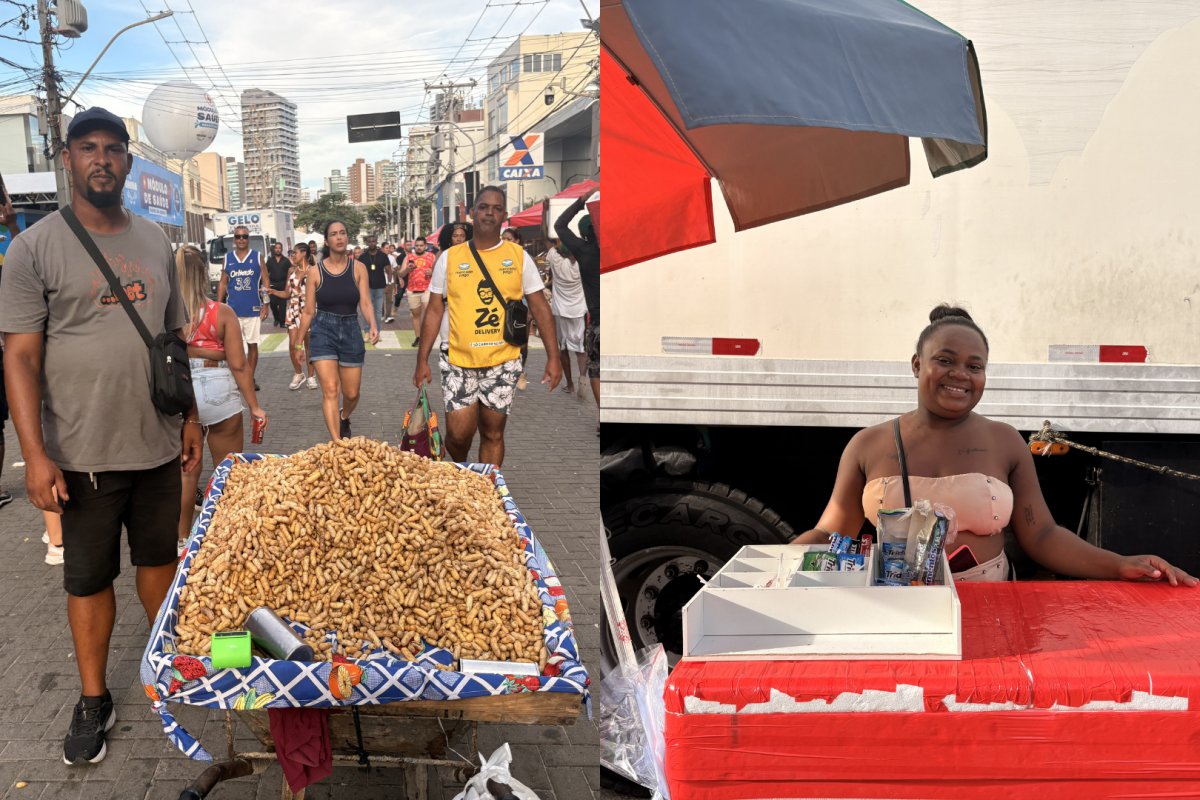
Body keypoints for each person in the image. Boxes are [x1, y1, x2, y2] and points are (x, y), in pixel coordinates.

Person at [0, 107, 203, 765]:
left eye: (113, 149)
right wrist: (34, 456)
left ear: (127, 161)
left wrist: (192, 418)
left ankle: (168, 666)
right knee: (87, 582)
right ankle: (93, 698)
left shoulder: (153, 240)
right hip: (79, 456)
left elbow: (173, 340)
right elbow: (20, 358)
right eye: (87, 148)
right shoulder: (33, 249)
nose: (101, 160)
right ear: (68, 159)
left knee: (158, 563)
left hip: (155, 444)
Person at [792, 304, 1197, 586]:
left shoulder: (1005, 442)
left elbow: (1042, 537)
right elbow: (831, 533)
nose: (960, 375)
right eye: (945, 360)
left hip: (994, 601)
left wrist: (1120, 564)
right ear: (917, 364)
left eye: (974, 366)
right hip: (902, 605)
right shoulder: (867, 444)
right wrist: (762, 562)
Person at [413, 187, 561, 466]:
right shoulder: (450, 258)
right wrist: (421, 359)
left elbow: (540, 306)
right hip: (457, 359)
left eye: (496, 208)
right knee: (458, 434)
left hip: (503, 360)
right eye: (483, 207)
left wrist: (554, 357)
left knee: (493, 433)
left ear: (504, 215)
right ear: (472, 213)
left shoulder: (518, 257)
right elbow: (434, 309)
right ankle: (464, 475)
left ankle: (486, 491)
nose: (489, 212)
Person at [174, 245, 266, 544]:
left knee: (187, 473)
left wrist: (190, 349)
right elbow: (239, 365)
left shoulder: (166, 314)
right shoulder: (221, 312)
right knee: (228, 470)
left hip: (181, 391)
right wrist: (254, 407)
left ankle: (182, 539)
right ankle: (228, 537)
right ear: (204, 274)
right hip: (218, 387)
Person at [297, 220, 379, 440]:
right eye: (334, 234)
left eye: (343, 233)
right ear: (327, 240)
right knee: (331, 390)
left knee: (351, 393)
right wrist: (297, 343)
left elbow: (366, 302)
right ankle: (337, 442)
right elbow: (307, 311)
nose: (339, 237)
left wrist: (372, 324)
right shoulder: (315, 272)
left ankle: (344, 416)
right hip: (323, 330)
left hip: (351, 329)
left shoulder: (358, 268)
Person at [555, 194, 600, 423]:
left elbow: (559, 225)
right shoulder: (616, 246)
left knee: (596, 370)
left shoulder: (583, 251)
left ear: (584, 233)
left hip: (598, 322)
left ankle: (603, 415)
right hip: (623, 322)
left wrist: (580, 201)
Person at [217, 225, 268, 391]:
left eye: (244, 236)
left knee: (252, 345)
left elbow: (266, 282)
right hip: (232, 311)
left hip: (253, 309)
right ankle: (237, 378)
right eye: (238, 236)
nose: (241, 239)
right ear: (234, 239)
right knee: (233, 347)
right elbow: (223, 283)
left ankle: (249, 379)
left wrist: (266, 304)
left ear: (249, 239)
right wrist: (217, 306)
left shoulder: (257, 257)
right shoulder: (228, 258)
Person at [544, 238, 589, 396]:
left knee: (563, 349)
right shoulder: (580, 264)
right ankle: (583, 378)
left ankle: (570, 384)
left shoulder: (555, 259)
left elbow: (549, 241)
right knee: (581, 350)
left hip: (560, 311)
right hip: (578, 311)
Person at [286, 244, 317, 389]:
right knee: (293, 344)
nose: (292, 255)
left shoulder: (313, 271)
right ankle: (298, 373)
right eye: (292, 253)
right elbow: (286, 293)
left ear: (304, 253)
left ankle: (311, 376)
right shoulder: (291, 270)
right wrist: (271, 292)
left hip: (308, 309)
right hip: (293, 309)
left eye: (295, 253)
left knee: (308, 345)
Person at [399, 235, 437, 347]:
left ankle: (426, 337)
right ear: (414, 246)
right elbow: (400, 274)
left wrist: (432, 271)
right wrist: (407, 269)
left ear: (425, 246)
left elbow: (440, 271)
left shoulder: (432, 256)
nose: (419, 247)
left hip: (427, 289)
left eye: (421, 245)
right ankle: (418, 337)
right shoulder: (408, 257)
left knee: (427, 313)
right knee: (415, 315)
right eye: (417, 246)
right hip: (412, 290)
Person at [357, 234, 389, 334]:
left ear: (376, 242)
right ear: (367, 243)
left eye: (373, 241)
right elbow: (358, 271)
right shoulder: (363, 256)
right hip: (366, 287)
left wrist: (389, 283)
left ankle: (377, 331)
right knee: (366, 309)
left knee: (378, 312)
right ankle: (367, 331)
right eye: (370, 241)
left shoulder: (383, 255)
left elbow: (389, 270)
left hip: (380, 287)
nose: (372, 243)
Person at [264, 241, 290, 328]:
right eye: (276, 248)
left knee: (283, 305)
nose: (278, 250)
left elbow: (290, 273)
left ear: (281, 249)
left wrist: (288, 285)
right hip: (273, 286)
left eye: (279, 248)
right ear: (274, 249)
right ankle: (276, 319)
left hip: (283, 285)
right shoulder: (270, 261)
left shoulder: (286, 261)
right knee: (273, 304)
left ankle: (282, 322)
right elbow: (265, 272)